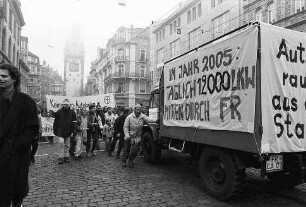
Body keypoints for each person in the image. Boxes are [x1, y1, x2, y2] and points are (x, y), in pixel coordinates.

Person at [0, 63, 39, 207]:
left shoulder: (26, 102)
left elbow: (32, 128)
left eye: (4, 76)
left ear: (14, 79)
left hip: (17, 155)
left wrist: (19, 144)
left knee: (17, 193)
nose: (0, 79)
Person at [53, 99, 77, 164]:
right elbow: (55, 122)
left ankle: (66, 157)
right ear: (62, 105)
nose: (65, 105)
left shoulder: (72, 112)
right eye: (64, 104)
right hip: (60, 131)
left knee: (67, 145)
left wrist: (74, 131)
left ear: (68, 105)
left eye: (66, 104)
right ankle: (60, 157)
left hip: (68, 131)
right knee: (61, 144)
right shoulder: (59, 112)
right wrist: (54, 130)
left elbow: (74, 122)